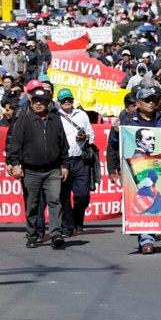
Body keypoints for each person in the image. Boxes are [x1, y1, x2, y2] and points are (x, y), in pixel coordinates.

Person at [107, 86, 161, 254]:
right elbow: (114, 146)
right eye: (148, 100)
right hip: (138, 170)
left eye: (154, 100)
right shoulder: (127, 122)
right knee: (146, 201)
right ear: (138, 103)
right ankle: (146, 239)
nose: (151, 103)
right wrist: (112, 168)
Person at [7, 87, 69, 249]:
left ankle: (56, 234)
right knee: (32, 204)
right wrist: (14, 164)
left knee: (55, 201)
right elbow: (15, 146)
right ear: (31, 103)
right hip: (31, 171)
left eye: (42, 101)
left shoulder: (56, 120)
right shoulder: (23, 121)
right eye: (35, 101)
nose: (38, 104)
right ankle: (32, 235)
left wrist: (64, 165)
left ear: (48, 103)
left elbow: (63, 144)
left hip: (53, 170)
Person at [57, 88, 95, 236]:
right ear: (59, 102)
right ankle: (67, 226)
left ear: (73, 100)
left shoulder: (82, 115)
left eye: (69, 99)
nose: (67, 102)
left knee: (83, 195)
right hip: (63, 161)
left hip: (81, 160)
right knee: (63, 196)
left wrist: (85, 137)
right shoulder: (55, 116)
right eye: (64, 100)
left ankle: (77, 218)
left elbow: (92, 136)